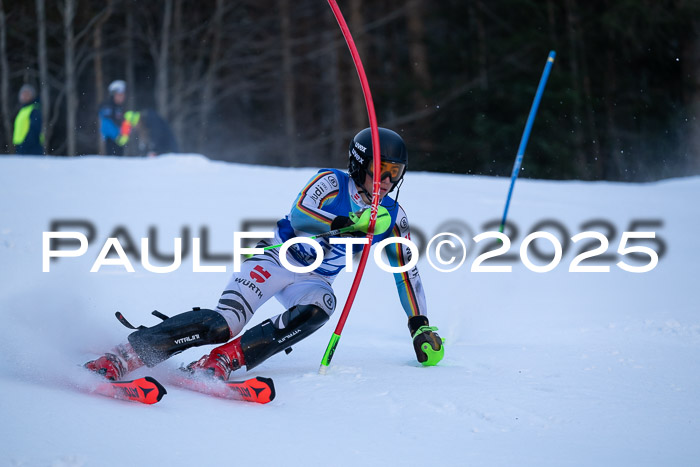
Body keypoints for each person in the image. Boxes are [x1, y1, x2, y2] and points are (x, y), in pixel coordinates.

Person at [85, 127, 444, 381]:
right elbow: (302, 212)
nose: (384, 182)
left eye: (393, 174)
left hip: (313, 279)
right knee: (223, 323)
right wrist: (348, 222)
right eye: (378, 171)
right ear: (359, 164)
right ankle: (125, 355)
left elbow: (406, 272)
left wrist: (419, 325)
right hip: (275, 260)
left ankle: (224, 360)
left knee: (323, 305)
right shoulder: (332, 182)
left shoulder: (393, 218)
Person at [98, 80, 129, 156]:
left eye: (123, 94)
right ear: (114, 94)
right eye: (120, 94)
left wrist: (124, 135)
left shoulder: (120, 107)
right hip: (111, 141)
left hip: (119, 140)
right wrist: (117, 137)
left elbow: (123, 123)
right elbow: (105, 124)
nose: (123, 96)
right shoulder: (107, 106)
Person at [13, 84, 43, 155]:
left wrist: (27, 142)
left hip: (31, 146)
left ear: (32, 96)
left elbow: (35, 128)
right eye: (23, 94)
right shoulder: (23, 110)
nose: (24, 96)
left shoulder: (34, 109)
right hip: (21, 145)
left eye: (27, 94)